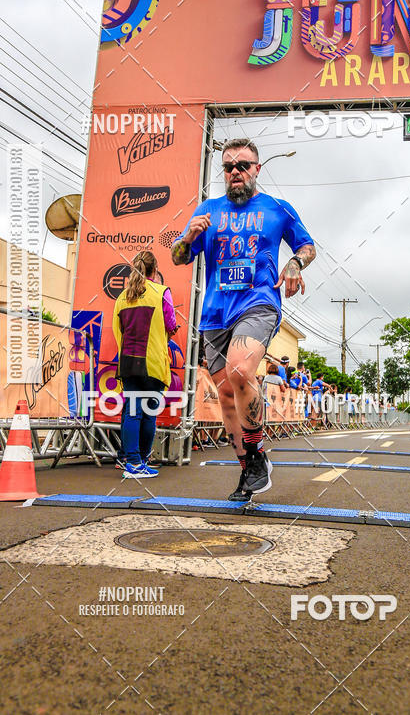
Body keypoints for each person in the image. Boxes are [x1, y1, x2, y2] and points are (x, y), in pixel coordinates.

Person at [171, 138, 315, 502]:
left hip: (258, 303)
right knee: (225, 394)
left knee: (239, 372)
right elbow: (177, 257)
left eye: (243, 166)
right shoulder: (208, 210)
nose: (235, 172)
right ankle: (250, 468)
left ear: (257, 170)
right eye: (228, 167)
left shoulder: (277, 209)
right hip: (215, 313)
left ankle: (256, 454)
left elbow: (308, 246)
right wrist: (189, 236)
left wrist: (295, 264)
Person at [112, 250, 177, 478]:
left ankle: (131, 462)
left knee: (132, 413)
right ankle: (141, 460)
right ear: (155, 270)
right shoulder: (162, 293)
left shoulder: (121, 298)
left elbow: (116, 331)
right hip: (154, 364)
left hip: (129, 363)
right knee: (149, 414)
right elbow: (171, 325)